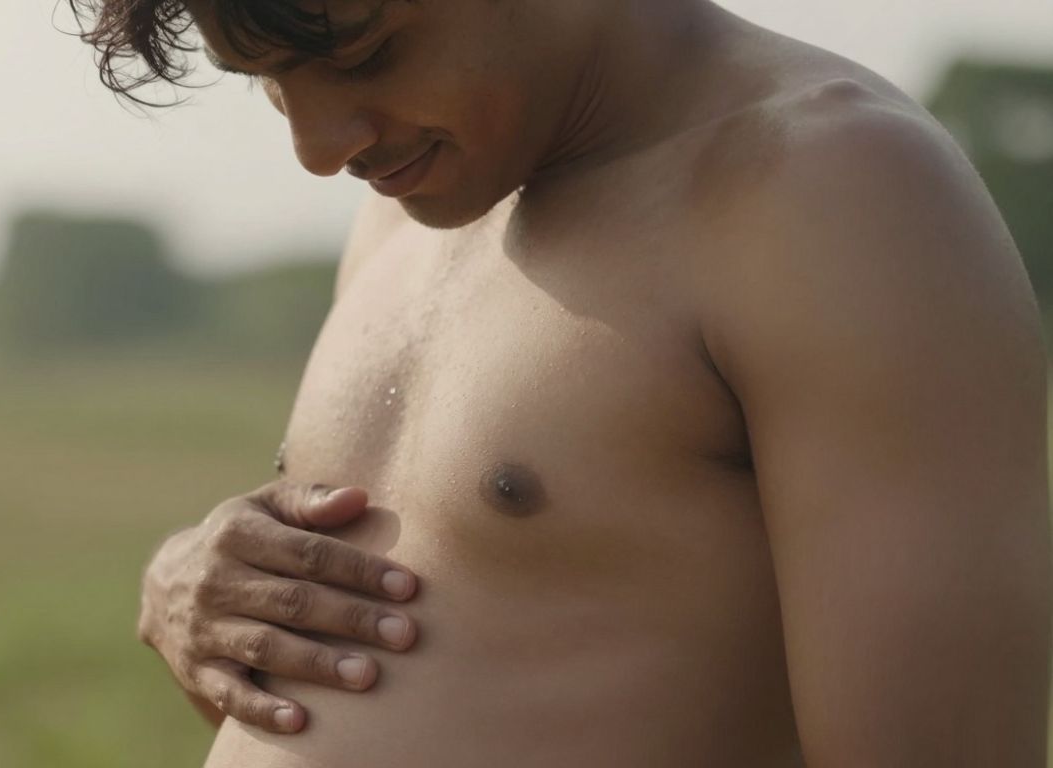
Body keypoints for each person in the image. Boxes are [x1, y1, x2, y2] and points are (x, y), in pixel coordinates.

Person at [68, 0, 1052, 765]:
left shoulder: (831, 189)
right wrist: (199, 602)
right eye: (269, 82)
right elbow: (451, 679)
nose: (320, 148)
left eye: (366, 57)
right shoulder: (407, 214)